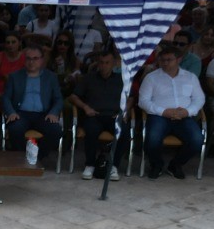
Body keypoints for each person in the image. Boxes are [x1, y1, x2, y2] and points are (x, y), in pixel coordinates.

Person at [138, 46, 206, 179]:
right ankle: (156, 165)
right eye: (163, 60)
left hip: (184, 116)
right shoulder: (151, 78)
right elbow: (143, 101)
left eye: (169, 60)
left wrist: (187, 111)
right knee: (152, 139)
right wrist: (164, 111)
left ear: (179, 59)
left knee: (197, 140)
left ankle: (175, 165)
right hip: (159, 116)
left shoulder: (190, 77)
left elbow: (199, 98)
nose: (165, 63)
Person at [1, 45, 63, 169]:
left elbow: (58, 98)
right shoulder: (15, 76)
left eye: (35, 58)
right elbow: (6, 97)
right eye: (28, 58)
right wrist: (11, 112)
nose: (31, 62)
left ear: (41, 60)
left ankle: (37, 158)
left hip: (43, 114)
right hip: (21, 113)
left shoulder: (51, 77)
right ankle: (23, 157)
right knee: (15, 129)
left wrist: (54, 112)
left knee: (56, 130)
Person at [68, 49, 123, 180]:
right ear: (97, 63)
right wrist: (85, 107)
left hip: (114, 116)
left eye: (107, 63)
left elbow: (131, 97)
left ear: (114, 63)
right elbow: (73, 96)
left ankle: (113, 165)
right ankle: (90, 165)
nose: (104, 66)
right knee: (91, 130)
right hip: (94, 115)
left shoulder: (121, 80)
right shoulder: (88, 78)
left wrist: (124, 111)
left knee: (123, 131)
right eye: (101, 63)